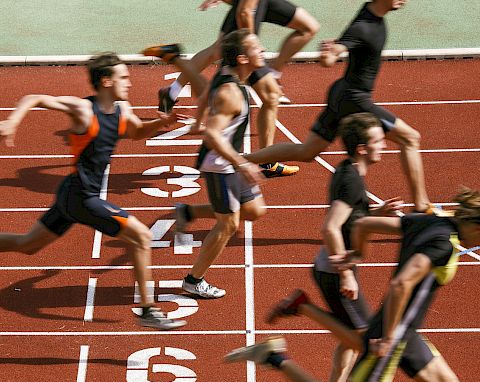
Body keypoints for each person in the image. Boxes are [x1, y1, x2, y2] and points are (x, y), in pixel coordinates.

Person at [225, 188, 480, 382]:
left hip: (405, 333)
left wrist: (356, 254)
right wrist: (386, 337)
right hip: (392, 336)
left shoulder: (430, 222)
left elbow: (364, 226)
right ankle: (276, 357)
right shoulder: (443, 245)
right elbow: (401, 283)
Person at [0, 52, 189, 329]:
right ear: (106, 81)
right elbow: (34, 98)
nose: (130, 82)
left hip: (72, 193)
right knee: (141, 235)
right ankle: (148, 309)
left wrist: (161, 123)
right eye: (123, 77)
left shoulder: (122, 108)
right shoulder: (83, 110)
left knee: (27, 245)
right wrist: (13, 122)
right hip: (81, 197)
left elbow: (135, 132)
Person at [267, 112, 402, 382]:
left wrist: (377, 212)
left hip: (332, 267)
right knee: (365, 342)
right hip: (334, 271)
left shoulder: (349, 171)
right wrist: (344, 273)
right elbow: (330, 227)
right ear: (363, 149)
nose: (385, 144)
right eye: (378, 140)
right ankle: (302, 308)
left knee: (349, 340)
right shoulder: (351, 180)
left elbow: (350, 219)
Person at [245, 0, 431, 213]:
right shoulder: (362, 27)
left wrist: (330, 54)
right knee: (410, 138)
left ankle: (239, 160)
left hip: (341, 94)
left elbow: (340, 46)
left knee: (307, 151)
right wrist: (329, 54)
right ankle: (421, 207)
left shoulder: (370, 12)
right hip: (355, 100)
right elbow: (336, 52)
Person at [146, 0, 320, 177]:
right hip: (247, 23)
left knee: (219, 55)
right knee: (260, 93)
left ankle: (173, 81)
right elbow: (244, 12)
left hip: (261, 7)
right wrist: (252, 47)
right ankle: (265, 160)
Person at [153, 30, 267, 299]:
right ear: (242, 58)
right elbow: (213, 135)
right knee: (228, 225)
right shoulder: (231, 92)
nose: (262, 51)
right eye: (257, 48)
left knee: (254, 211)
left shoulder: (233, 79)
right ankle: (193, 280)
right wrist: (242, 163)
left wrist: (196, 120)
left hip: (231, 161)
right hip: (220, 165)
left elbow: (205, 93)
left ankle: (187, 212)